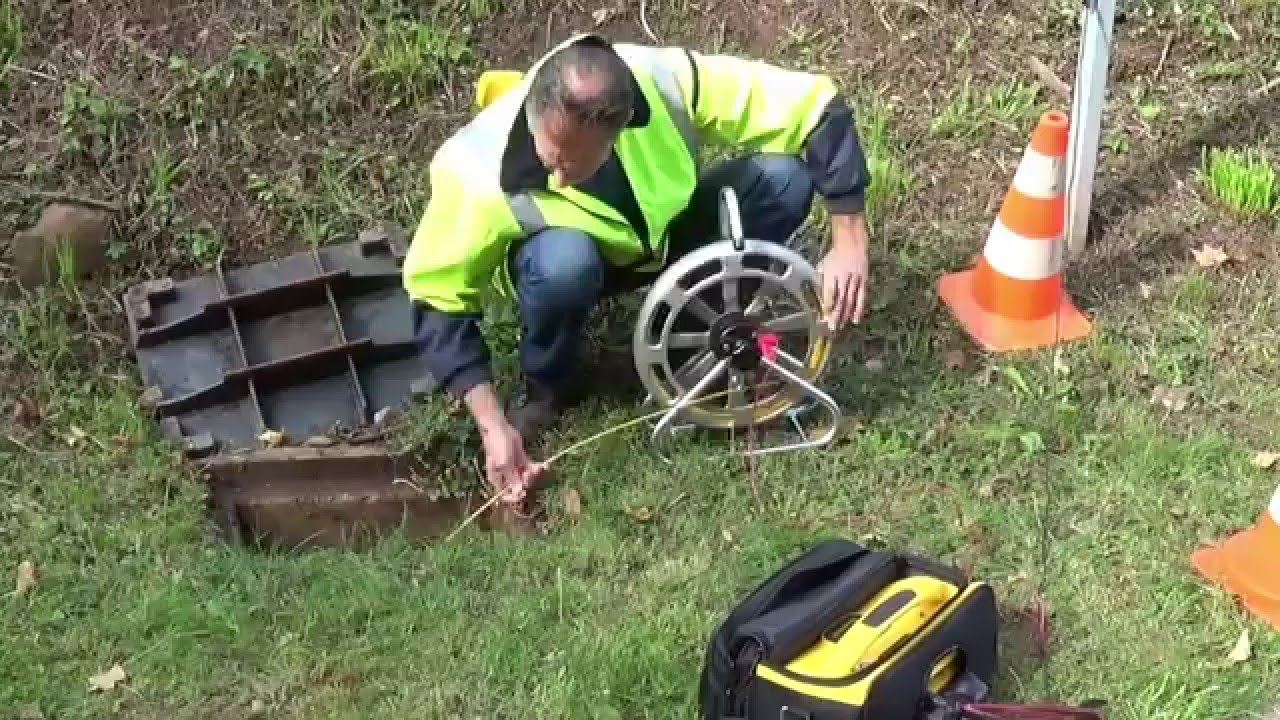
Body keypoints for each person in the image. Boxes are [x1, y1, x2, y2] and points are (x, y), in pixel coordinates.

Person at [402, 32, 874, 509]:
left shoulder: (660, 81)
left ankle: (692, 341)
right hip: (567, 266)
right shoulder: (473, 170)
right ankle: (548, 384)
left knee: (783, 180)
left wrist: (849, 240)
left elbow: (815, 104)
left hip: (660, 234)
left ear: (620, 129)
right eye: (551, 159)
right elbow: (437, 298)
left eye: (575, 163)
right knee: (564, 263)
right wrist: (491, 425)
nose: (558, 179)